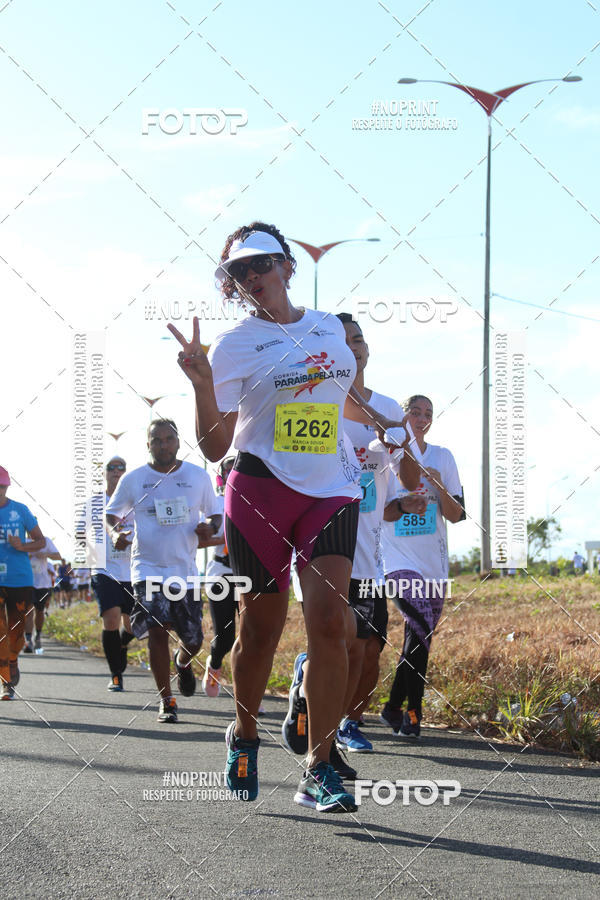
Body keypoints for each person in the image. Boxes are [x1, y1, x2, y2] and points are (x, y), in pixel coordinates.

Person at [169, 222, 409, 813]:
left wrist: (378, 422)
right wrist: (202, 385)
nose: (252, 277)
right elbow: (213, 445)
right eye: (239, 272)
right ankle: (244, 733)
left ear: (286, 266)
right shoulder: (232, 346)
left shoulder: (328, 327)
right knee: (260, 627)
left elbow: (339, 397)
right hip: (260, 490)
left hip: (331, 489)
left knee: (333, 625)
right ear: (233, 285)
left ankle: (318, 767)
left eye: (261, 264)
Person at [282, 314, 421, 777]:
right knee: (339, 640)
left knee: (363, 652)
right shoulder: (310, 397)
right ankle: (325, 748)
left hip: (367, 553)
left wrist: (397, 441)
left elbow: (410, 480)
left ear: (366, 348)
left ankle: (319, 699)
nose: (353, 346)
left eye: (358, 338)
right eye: (341, 340)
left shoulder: (384, 407)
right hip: (320, 541)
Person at [106, 420, 221, 722]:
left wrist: (210, 526)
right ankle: (166, 700)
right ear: (148, 444)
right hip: (147, 569)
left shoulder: (197, 476)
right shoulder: (134, 479)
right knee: (156, 632)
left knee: (193, 640)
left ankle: (182, 662)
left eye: (169, 439)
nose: (163, 445)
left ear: (178, 442)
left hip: (185, 571)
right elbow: (112, 513)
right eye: (157, 440)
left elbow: (216, 514)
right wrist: (116, 532)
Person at [380, 395, 465, 737]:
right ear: (402, 417)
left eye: (428, 413)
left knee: (420, 636)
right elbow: (381, 511)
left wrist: (438, 482)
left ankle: (392, 708)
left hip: (434, 565)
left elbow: (457, 515)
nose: (422, 417)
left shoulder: (443, 456)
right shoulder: (385, 456)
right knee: (420, 623)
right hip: (397, 561)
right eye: (414, 411)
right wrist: (402, 504)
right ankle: (413, 714)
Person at [86, 457, 135, 692]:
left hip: (134, 570)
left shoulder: (135, 500)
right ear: (104, 474)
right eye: (111, 468)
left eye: (121, 468)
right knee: (112, 619)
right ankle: (116, 675)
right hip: (104, 569)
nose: (116, 471)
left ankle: (121, 645)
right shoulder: (94, 503)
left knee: (135, 625)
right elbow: (80, 534)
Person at [0, 466, 46, 699]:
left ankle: (14, 659)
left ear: (7, 487)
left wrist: (22, 546)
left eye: (0, 486)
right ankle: (6, 680)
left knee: (15, 631)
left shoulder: (20, 510)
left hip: (19, 578)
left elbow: (40, 541)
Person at [24, 536, 62, 653]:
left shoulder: (45, 541)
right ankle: (28, 640)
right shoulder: (23, 541)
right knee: (28, 612)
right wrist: (29, 555)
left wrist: (45, 555)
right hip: (27, 582)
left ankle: (38, 636)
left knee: (39, 611)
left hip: (43, 584)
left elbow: (58, 556)